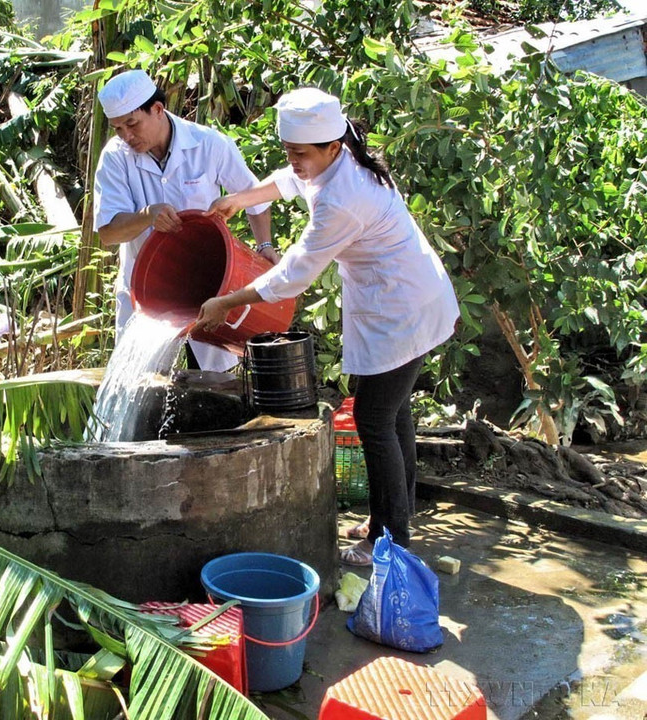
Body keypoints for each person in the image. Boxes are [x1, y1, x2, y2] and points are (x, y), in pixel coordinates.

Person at [192, 87, 459, 565]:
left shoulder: (344, 197)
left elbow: (296, 271)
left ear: (331, 147)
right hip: (405, 300)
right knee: (392, 414)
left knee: (374, 419)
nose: (293, 161)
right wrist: (239, 199)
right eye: (288, 151)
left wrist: (227, 301)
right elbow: (289, 180)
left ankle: (391, 540)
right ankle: (391, 519)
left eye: (300, 153)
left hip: (404, 309)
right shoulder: (338, 157)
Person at [93, 69, 277, 371]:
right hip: (147, 289)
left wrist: (265, 244)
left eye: (132, 124)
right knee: (138, 380)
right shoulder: (115, 158)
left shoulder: (209, 144)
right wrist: (146, 216)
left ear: (157, 110)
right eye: (117, 129)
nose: (127, 136)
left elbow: (254, 197)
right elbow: (108, 233)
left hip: (211, 285)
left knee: (218, 384)